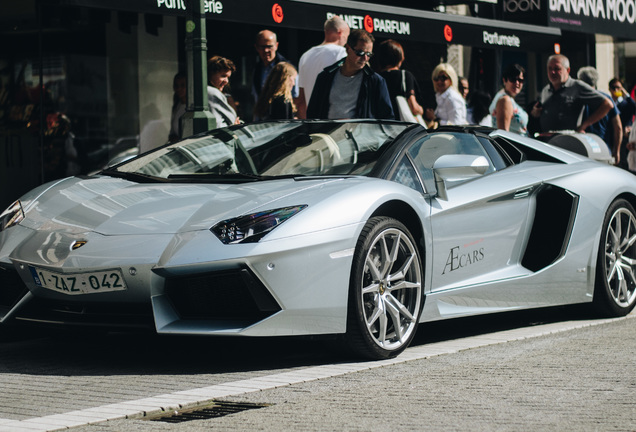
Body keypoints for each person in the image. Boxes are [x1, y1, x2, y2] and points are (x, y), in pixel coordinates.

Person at [306, 29, 394, 120]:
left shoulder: (375, 81)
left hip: (360, 134)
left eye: (369, 54)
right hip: (327, 133)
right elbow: (312, 113)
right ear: (348, 49)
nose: (365, 58)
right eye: (360, 53)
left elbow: (387, 118)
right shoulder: (325, 77)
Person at [531, 54, 612, 134]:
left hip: (569, 142)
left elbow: (607, 104)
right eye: (550, 68)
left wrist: (584, 125)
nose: (552, 72)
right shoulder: (545, 90)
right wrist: (536, 113)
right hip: (547, 141)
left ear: (568, 70)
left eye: (557, 69)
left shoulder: (577, 86)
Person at [296, 16, 349, 119]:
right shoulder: (342, 53)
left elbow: (301, 101)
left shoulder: (306, 55)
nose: (346, 40)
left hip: (313, 121)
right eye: (347, 35)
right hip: (334, 122)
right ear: (340, 32)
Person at [577, 66, 622, 163]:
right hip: (604, 149)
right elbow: (618, 127)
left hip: (582, 149)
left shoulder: (579, 99)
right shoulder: (606, 98)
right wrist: (616, 151)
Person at [377, 39, 423, 122]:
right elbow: (414, 108)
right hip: (401, 127)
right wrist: (421, 110)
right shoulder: (405, 75)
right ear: (399, 58)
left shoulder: (375, 78)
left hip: (382, 126)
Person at [252, 30, 298, 108]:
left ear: (276, 45)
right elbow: (256, 98)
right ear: (256, 47)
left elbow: (296, 97)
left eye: (269, 46)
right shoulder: (256, 69)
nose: (266, 50)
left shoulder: (287, 69)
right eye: (262, 47)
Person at [489, 63, 528, 135]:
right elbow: (504, 134)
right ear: (504, 80)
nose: (517, 83)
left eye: (520, 80)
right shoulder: (505, 100)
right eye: (513, 79)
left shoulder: (506, 97)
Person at [609, 77, 636, 169]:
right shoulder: (609, 103)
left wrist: (626, 95)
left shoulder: (626, 103)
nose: (616, 90)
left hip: (625, 138)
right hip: (612, 137)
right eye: (614, 88)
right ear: (610, 89)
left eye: (619, 88)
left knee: (623, 163)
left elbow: (635, 109)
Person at [207, 56, 240, 127]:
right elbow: (228, 122)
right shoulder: (212, 92)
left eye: (228, 77)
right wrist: (234, 125)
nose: (226, 81)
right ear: (211, 74)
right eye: (223, 76)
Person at [169, 71, 186, 143]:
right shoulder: (177, 105)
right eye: (176, 86)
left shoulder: (192, 107)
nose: (179, 89)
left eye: (183, 85)